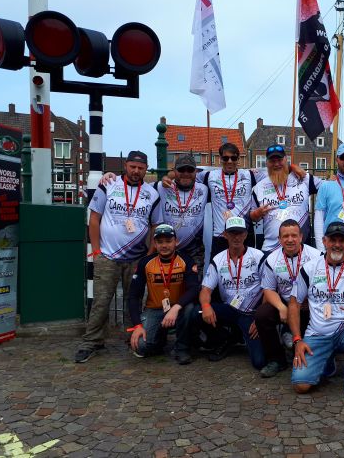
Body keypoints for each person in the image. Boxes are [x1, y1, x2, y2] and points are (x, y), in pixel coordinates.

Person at [75, 151, 162, 363]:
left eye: (140, 168)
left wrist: (149, 255)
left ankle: (132, 339)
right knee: (101, 301)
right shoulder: (109, 185)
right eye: (133, 167)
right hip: (107, 255)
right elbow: (94, 219)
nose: (136, 171)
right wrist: (96, 251)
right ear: (126, 165)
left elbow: (155, 226)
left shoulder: (152, 194)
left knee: (134, 301)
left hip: (137, 257)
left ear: (146, 169)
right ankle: (92, 341)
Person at [289, 222, 344, 394]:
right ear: (324, 241)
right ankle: (327, 359)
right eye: (332, 240)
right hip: (317, 333)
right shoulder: (309, 268)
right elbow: (294, 303)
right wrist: (297, 340)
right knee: (301, 386)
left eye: (342, 240)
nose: (337, 244)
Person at [254, 219, 323, 377]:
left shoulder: (317, 256)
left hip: (310, 304)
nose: (290, 240)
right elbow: (268, 289)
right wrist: (281, 307)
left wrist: (311, 301)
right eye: (285, 236)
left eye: (294, 235)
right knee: (262, 314)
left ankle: (320, 353)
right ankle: (276, 360)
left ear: (301, 237)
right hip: (285, 303)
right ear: (279, 239)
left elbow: (324, 285)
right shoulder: (272, 259)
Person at [197, 216, 266, 369]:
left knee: (259, 362)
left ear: (246, 234)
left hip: (251, 314)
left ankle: (241, 335)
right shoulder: (218, 259)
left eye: (240, 233)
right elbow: (205, 290)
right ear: (225, 235)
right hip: (230, 309)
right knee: (196, 312)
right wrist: (206, 306)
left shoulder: (258, 256)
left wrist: (261, 318)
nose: (236, 237)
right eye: (232, 233)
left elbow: (269, 290)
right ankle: (225, 338)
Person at [127, 224, 199, 365]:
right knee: (140, 347)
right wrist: (137, 325)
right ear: (154, 244)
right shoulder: (145, 263)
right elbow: (133, 296)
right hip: (154, 309)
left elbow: (194, 289)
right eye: (160, 242)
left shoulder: (186, 260)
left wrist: (176, 308)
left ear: (175, 242)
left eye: (168, 241)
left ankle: (182, 348)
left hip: (179, 309)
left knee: (191, 308)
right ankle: (159, 340)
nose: (164, 245)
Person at [249, 144, 321, 252]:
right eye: (272, 161)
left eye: (279, 160)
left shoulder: (302, 177)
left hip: (301, 249)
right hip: (271, 250)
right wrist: (257, 213)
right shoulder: (259, 187)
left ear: (286, 159)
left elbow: (326, 188)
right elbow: (252, 216)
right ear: (267, 163)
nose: (276, 164)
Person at [154, 154, 209, 276]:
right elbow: (139, 187)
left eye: (190, 170)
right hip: (167, 247)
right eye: (181, 170)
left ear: (196, 172)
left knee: (194, 283)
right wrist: (111, 177)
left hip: (195, 249)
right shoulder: (161, 187)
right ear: (174, 171)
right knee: (168, 284)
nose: (186, 173)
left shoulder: (204, 189)